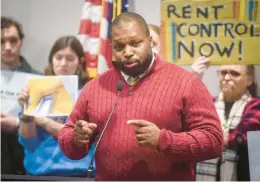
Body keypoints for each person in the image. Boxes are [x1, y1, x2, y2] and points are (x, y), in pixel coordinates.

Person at [58, 12, 223, 181]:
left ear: (150, 41)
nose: (127, 52)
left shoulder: (187, 83)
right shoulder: (94, 88)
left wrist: (163, 140)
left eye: (135, 43)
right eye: (119, 47)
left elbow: (214, 141)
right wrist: (76, 139)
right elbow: (67, 138)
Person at [17, 35, 96, 176]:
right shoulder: (36, 91)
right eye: (58, 57)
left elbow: (80, 138)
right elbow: (29, 143)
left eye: (70, 59)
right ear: (51, 60)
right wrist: (26, 114)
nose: (63, 63)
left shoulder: (90, 94)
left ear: (80, 62)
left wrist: (43, 120)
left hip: (78, 173)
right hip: (38, 172)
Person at [192, 57, 260, 181]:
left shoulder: (256, 105)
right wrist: (195, 79)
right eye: (223, 72)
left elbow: (244, 133)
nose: (227, 78)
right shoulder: (209, 103)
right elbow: (190, 123)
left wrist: (209, 138)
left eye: (235, 73)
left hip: (242, 174)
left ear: (249, 80)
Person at [1, 16, 40, 175]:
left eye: (13, 40)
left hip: (26, 165)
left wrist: (19, 124)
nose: (8, 47)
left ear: (21, 42)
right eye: (1, 41)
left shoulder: (38, 79)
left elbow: (46, 125)